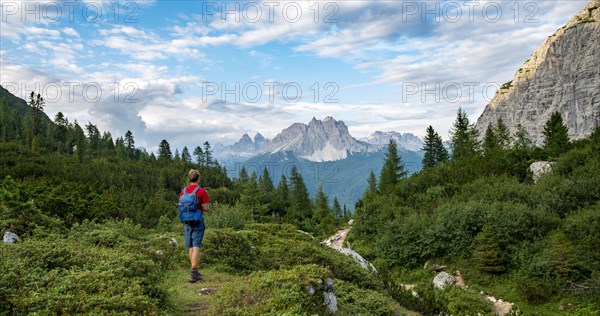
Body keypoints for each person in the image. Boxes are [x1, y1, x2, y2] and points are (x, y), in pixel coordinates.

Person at [180, 169, 210, 283]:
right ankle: (193, 272)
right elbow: (206, 208)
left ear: (189, 178)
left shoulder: (184, 191)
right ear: (198, 178)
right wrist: (201, 207)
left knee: (191, 246)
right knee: (196, 245)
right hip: (198, 221)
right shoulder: (202, 191)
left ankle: (194, 270)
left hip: (186, 221)